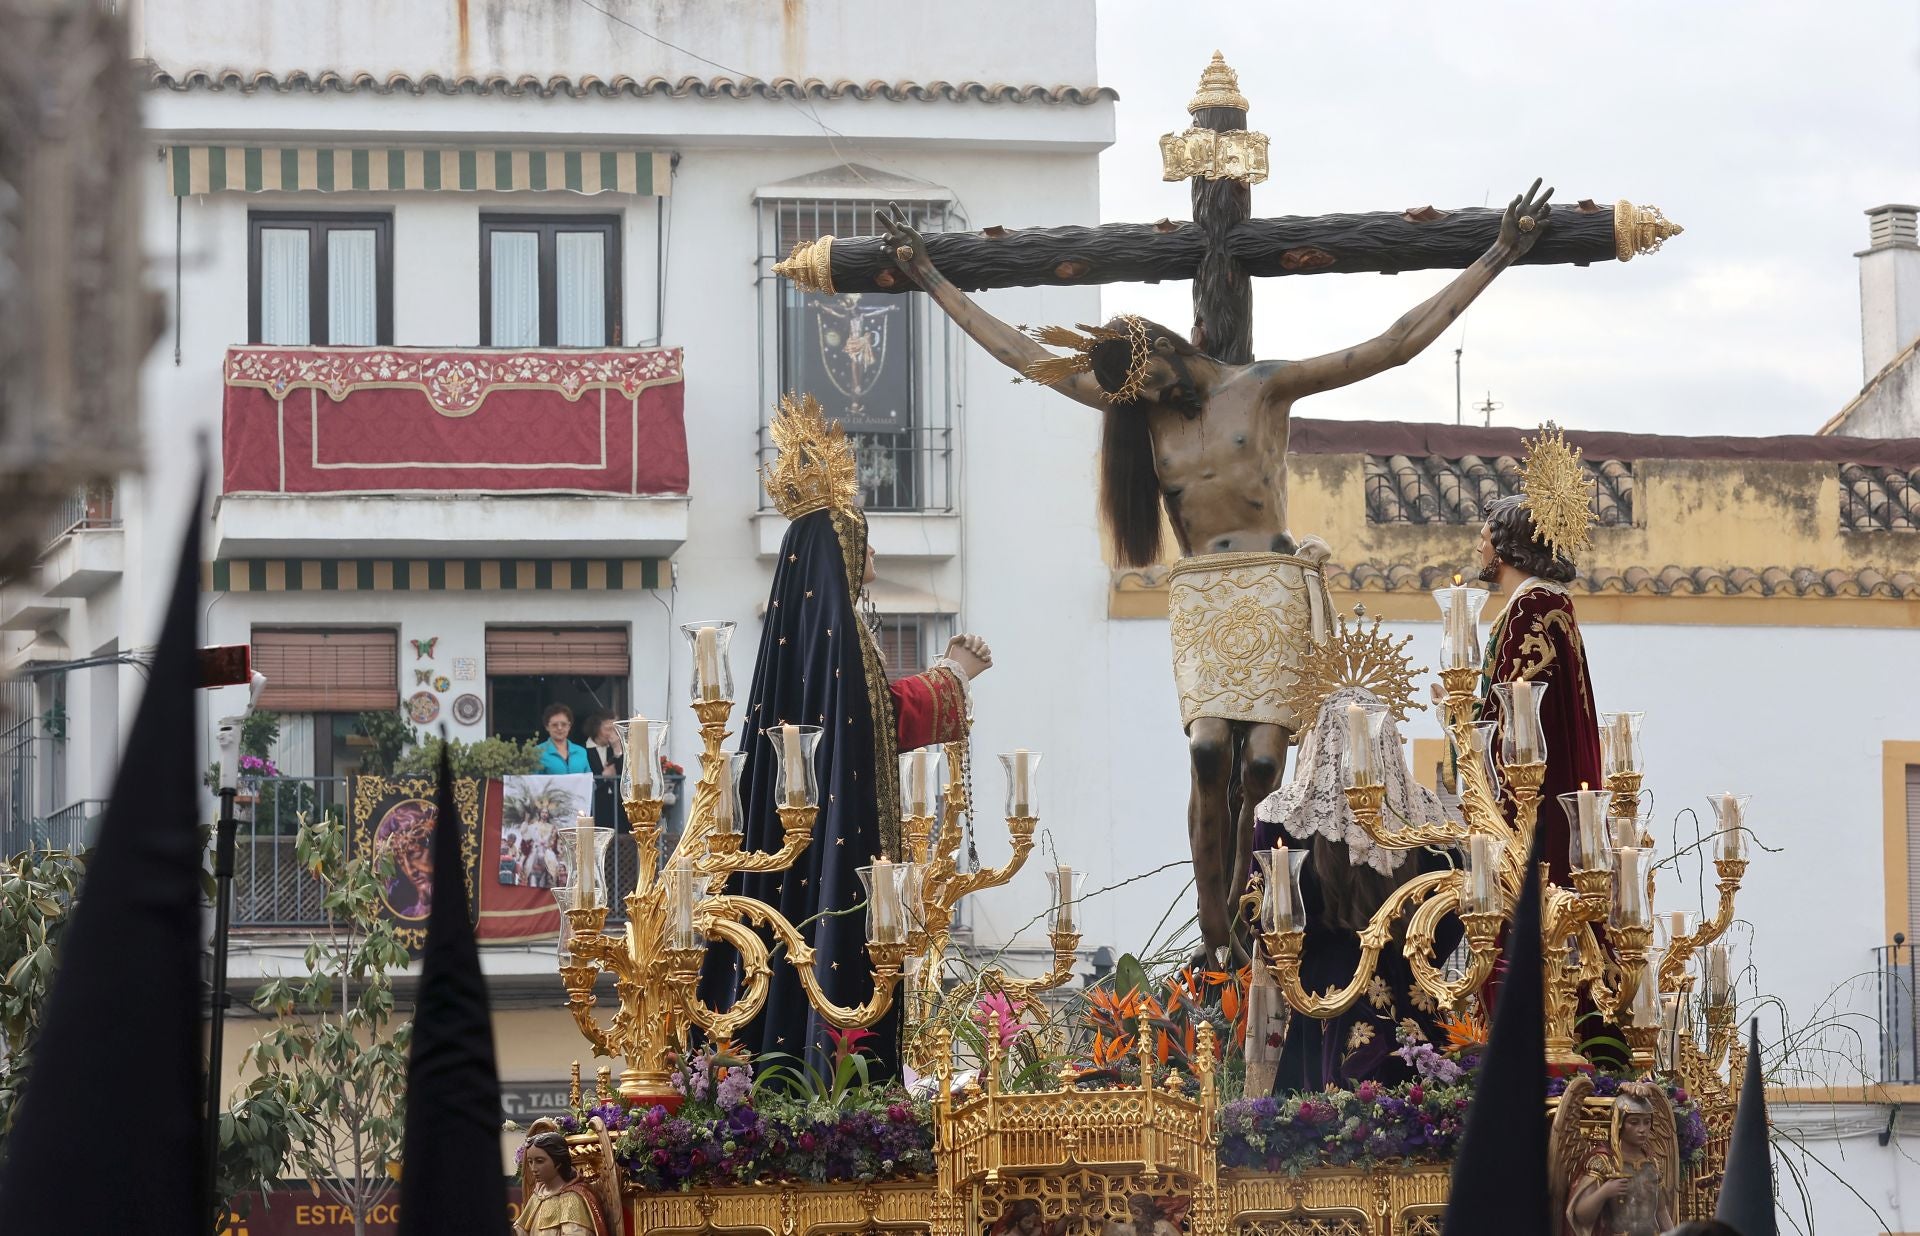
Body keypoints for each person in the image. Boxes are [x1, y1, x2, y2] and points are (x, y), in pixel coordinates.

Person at [881, 180, 1559, 964]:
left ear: (1173, 349)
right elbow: (1028, 358)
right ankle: (1215, 943)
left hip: (1273, 586)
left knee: (1264, 764)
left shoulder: (1263, 388)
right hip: (1203, 593)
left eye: (1160, 387)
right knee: (1208, 753)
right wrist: (931, 279)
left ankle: (1255, 923)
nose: (1157, 405)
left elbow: (1393, 343)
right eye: (1143, 399)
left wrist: (1498, 254)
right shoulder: (1141, 410)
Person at [699, 394, 992, 1078]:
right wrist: (954, 675)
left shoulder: (805, 636)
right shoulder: (838, 636)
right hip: (829, 839)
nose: (870, 568)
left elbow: (860, 715)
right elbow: (868, 721)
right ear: (839, 554)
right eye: (862, 550)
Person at [1251, 687, 1462, 1090]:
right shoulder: (1427, 817)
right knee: (1428, 1122)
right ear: (1389, 742)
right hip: (1412, 994)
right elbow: (1452, 918)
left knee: (1320, 1129)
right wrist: (1411, 952)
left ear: (1321, 741)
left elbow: (1265, 923)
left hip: (1322, 998)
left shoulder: (1280, 819)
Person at [1472, 488, 1601, 887]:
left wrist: (1460, 715)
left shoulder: (1532, 606)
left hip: (1532, 796)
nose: (1478, 547)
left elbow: (1509, 707)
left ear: (1507, 546)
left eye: (1484, 538)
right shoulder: (1546, 601)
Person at [515, 1127, 618, 1236]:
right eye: (530, 1162)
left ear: (558, 1162)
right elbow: (520, 1230)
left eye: (540, 1161)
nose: (533, 1168)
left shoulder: (572, 1198)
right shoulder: (538, 1195)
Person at [535, 703, 591, 776]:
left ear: (569, 726)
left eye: (564, 724)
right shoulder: (537, 752)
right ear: (547, 727)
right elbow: (532, 784)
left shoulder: (581, 751)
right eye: (555, 725)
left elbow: (589, 782)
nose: (559, 728)